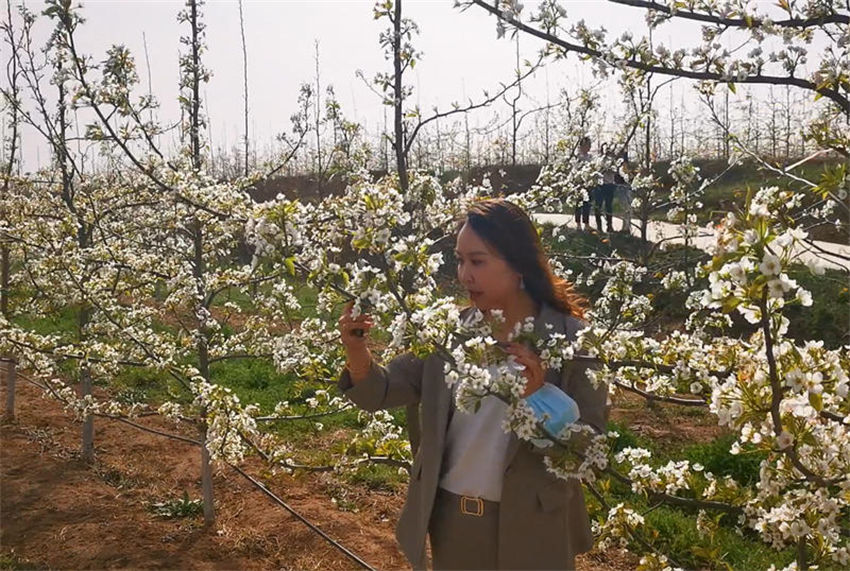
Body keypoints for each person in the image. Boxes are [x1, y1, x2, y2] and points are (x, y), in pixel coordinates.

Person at [338, 199, 608, 570]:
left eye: (477, 261)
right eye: (459, 260)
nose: (465, 275)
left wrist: (540, 397)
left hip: (536, 528)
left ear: (519, 265)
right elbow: (379, 392)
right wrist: (356, 350)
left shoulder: (571, 341)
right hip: (455, 523)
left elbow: (589, 452)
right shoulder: (448, 333)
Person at [593, 144, 617, 233]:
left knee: (608, 206)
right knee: (598, 206)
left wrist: (610, 169)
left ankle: (609, 226)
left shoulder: (613, 160)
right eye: (605, 149)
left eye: (608, 149)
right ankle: (599, 227)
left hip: (609, 185)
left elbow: (616, 171)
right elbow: (595, 170)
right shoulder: (598, 159)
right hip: (599, 185)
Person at [574, 136, 593, 232]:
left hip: (588, 183)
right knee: (578, 204)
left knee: (587, 204)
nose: (587, 148)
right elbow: (574, 170)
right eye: (585, 145)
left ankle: (586, 223)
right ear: (581, 146)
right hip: (578, 183)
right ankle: (578, 224)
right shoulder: (577, 158)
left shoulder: (590, 158)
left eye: (589, 146)